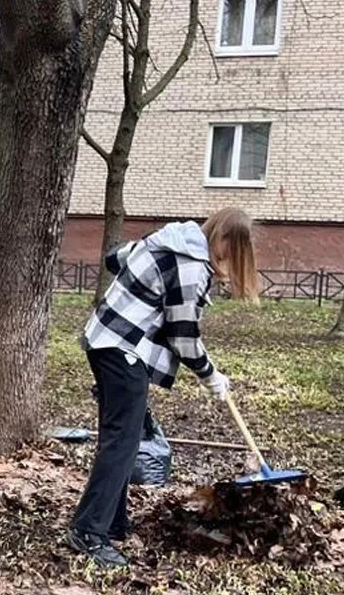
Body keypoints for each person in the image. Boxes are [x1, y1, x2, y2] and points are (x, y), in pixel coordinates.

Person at [69, 208, 259, 570]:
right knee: (122, 442)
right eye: (231, 251)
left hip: (107, 341)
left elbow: (114, 259)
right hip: (122, 350)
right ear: (223, 240)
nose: (228, 260)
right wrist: (210, 375)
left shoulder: (169, 238)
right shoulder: (190, 263)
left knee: (124, 439)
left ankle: (112, 521)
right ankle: (89, 531)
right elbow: (183, 336)